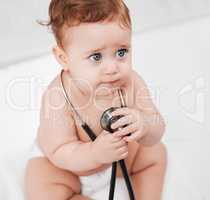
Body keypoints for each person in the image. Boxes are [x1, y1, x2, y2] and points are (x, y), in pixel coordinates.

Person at [25, 0, 167, 199]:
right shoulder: (57, 95)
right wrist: (94, 154)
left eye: (121, 52)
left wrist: (144, 125)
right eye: (96, 57)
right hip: (66, 168)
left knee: (155, 154)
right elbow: (59, 150)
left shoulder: (131, 83)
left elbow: (157, 126)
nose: (112, 68)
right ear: (63, 58)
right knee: (44, 188)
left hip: (117, 158)